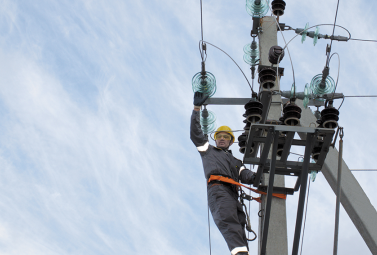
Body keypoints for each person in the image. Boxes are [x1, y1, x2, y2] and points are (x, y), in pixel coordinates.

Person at [190, 92, 257, 255]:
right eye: (218, 136)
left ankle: (244, 252)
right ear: (215, 139)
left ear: (230, 141)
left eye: (225, 136)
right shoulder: (208, 150)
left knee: (240, 225)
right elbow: (196, 134)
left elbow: (246, 176)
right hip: (219, 190)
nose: (221, 138)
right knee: (229, 222)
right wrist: (196, 109)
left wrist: (261, 175)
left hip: (233, 194)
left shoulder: (236, 162)